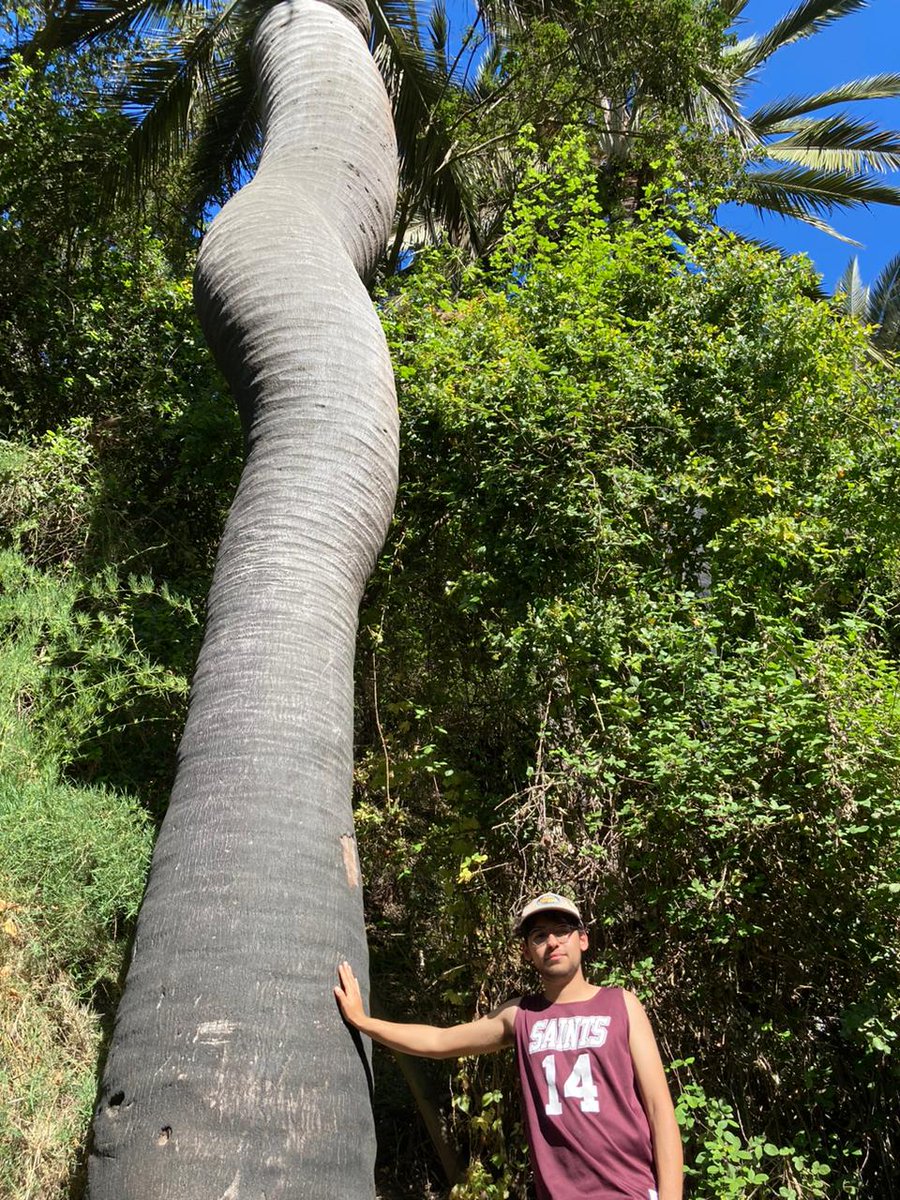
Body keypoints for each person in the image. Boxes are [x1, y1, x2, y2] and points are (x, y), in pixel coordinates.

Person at [334, 891, 683, 1200]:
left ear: (582, 940)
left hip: (628, 1190)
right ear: (527, 952)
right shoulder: (520, 1016)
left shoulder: (621, 1004)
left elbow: (659, 1109)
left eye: (562, 931)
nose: (553, 942)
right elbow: (439, 1041)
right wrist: (364, 1022)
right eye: (539, 935)